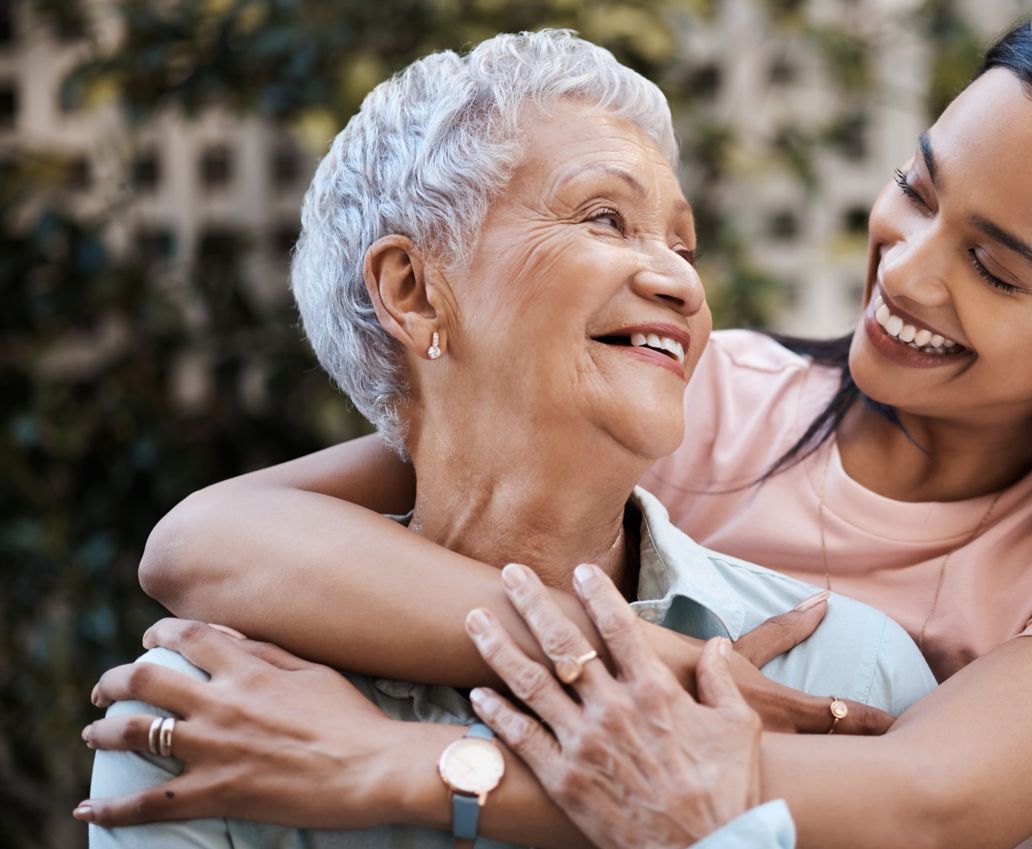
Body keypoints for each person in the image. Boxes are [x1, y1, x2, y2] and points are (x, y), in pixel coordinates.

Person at [83, 4, 1032, 848]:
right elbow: (217, 537)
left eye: (999, 271)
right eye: (916, 190)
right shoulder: (708, 391)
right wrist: (671, 665)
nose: (908, 275)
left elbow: (922, 790)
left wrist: (409, 771)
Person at [80, 29, 936, 849]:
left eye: (683, 242)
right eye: (604, 218)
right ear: (413, 292)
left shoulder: (844, 675)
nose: (680, 279)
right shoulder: (207, 711)